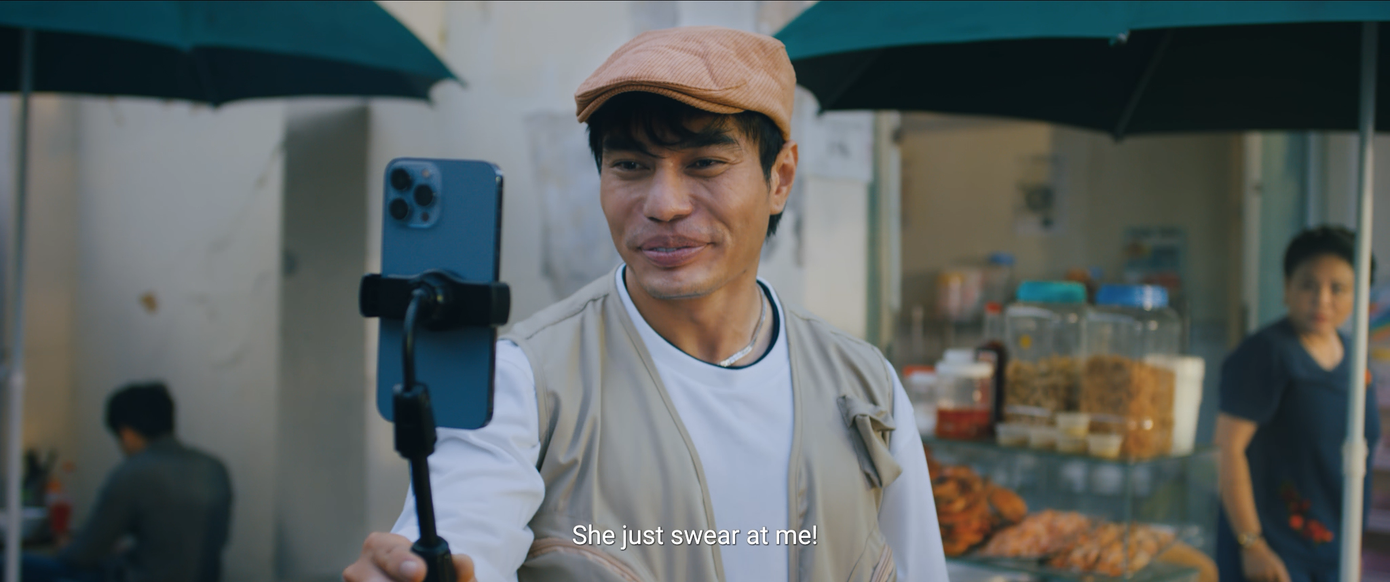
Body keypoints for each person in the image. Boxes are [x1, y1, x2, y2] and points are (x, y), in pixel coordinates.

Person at [344, 26, 946, 582]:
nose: (663, 204)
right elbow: (463, 526)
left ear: (780, 178)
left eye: (705, 163)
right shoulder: (524, 383)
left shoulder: (865, 387)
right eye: (630, 165)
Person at [1215, 226, 1381, 582]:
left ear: (1359, 295)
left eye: (1338, 288)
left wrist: (1353, 546)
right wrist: (1252, 544)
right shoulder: (1267, 353)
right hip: (1274, 554)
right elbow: (1227, 448)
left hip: (1333, 551)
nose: (1322, 299)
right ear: (1287, 287)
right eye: (1308, 285)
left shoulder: (1356, 358)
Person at [18, 382, 234, 582]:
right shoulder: (215, 468)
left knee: (13, 563)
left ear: (127, 434)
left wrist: (64, 545)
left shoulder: (134, 472)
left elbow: (83, 555)